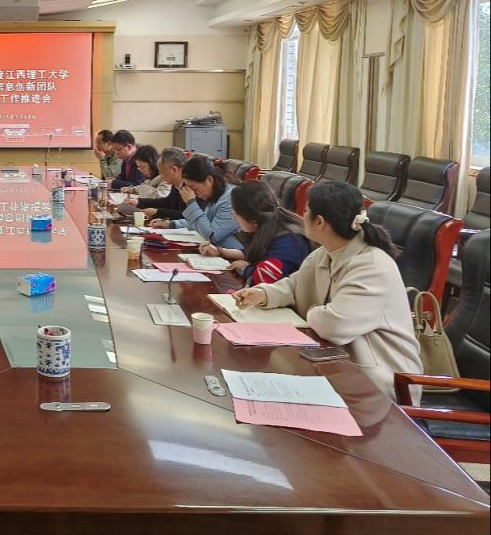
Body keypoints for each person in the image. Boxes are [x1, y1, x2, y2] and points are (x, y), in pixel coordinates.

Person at [232, 182, 422, 403]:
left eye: (306, 211)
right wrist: (263, 294)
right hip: (336, 365)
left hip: (378, 385)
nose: (301, 215)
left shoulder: (372, 266)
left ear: (320, 222)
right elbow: (294, 284)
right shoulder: (325, 253)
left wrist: (310, 311)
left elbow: (336, 325)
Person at [198, 180, 311, 285]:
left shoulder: (289, 240)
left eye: (236, 212)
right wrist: (221, 252)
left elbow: (266, 278)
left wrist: (245, 269)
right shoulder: (269, 225)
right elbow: (257, 252)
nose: (233, 216)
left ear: (252, 218)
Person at [150, 155, 242, 249]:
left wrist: (191, 203)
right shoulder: (215, 195)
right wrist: (171, 224)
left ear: (209, 180)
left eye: (194, 188)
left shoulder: (230, 199)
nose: (193, 193)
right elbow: (204, 222)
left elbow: (212, 235)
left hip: (232, 254)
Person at [123, 147, 187, 221]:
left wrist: (157, 212)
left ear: (174, 169)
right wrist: (139, 202)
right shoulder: (176, 183)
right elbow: (167, 202)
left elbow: (187, 215)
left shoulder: (190, 186)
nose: (161, 176)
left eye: (162, 172)